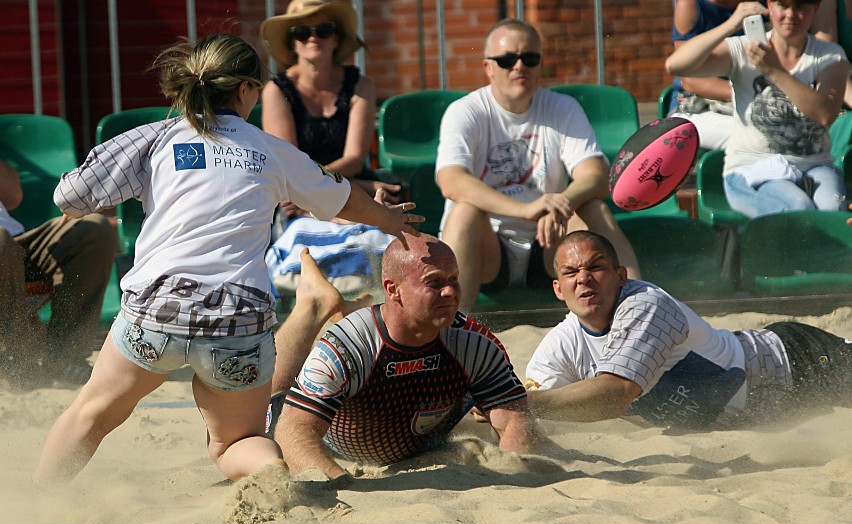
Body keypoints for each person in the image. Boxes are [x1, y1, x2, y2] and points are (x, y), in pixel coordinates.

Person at [33, 33, 422, 484]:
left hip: (157, 311)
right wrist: (388, 220)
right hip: (237, 322)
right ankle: (270, 470)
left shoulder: (156, 139)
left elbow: (70, 197)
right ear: (244, 89)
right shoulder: (272, 151)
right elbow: (343, 201)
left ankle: (42, 500)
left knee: (90, 415)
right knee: (235, 443)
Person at [268, 234, 539, 481]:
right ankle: (313, 304)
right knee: (268, 405)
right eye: (433, 282)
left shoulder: (475, 342)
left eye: (453, 279)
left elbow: (515, 419)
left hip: (415, 441)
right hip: (337, 447)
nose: (450, 291)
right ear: (393, 289)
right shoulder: (345, 347)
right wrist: (347, 486)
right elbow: (294, 433)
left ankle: (355, 306)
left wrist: (517, 477)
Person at [524, 230, 852, 429]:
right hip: (755, 418)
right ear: (557, 288)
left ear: (621, 276)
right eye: (571, 272)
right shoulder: (561, 344)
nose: (583, 278)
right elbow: (534, 411)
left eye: (595, 267)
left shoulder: (646, 305)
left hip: (795, 363)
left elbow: (614, 396)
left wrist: (520, 403)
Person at [435, 18, 641, 311]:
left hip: (549, 244)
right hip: (488, 251)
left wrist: (559, 203)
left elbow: (595, 175)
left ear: (540, 64)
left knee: (594, 209)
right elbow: (451, 180)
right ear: (488, 68)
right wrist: (527, 209)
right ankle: (453, 328)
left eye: (529, 58)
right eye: (507, 60)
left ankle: (634, 305)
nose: (519, 66)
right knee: (464, 212)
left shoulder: (562, 107)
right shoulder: (466, 111)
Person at [259, 0, 402, 294]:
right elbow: (288, 164)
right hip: (300, 199)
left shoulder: (360, 84)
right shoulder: (276, 91)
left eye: (324, 30)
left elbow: (353, 156)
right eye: (302, 32)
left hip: (325, 189)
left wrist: (319, 186)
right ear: (293, 43)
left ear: (337, 38)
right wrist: (351, 185)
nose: (314, 38)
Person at [666, 0, 850, 219]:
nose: (790, 15)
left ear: (815, 9)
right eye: (783, 5)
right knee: (797, 207)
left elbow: (824, 114)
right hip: (752, 168)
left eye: (800, 7)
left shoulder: (829, 55)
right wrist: (731, 24)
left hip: (814, 166)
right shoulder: (745, 48)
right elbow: (676, 65)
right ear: (770, 6)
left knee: (833, 210)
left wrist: (774, 71)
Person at [0, 159, 117, 390]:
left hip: (15, 245)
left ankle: (64, 359)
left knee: (94, 228)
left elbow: (13, 197)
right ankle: (17, 358)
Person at [668, 0, 746, 150]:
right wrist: (750, 94)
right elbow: (690, 80)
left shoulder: (762, 6)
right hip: (694, 108)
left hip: (741, 105)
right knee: (758, 137)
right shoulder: (691, 5)